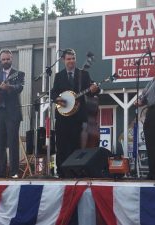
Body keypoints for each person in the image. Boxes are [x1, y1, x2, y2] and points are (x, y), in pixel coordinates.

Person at [51, 48, 99, 178]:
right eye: (68, 59)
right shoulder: (58, 76)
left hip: (78, 117)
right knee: (61, 145)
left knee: (76, 145)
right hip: (62, 117)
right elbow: (53, 93)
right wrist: (58, 99)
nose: (71, 61)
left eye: (73, 58)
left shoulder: (83, 75)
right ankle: (61, 172)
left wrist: (95, 88)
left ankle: (75, 172)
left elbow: (92, 90)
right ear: (63, 60)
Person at [0, 49, 25, 178]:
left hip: (12, 113)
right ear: (0, 60)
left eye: (8, 59)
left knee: (13, 143)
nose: (5, 61)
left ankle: (14, 172)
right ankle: (1, 173)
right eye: (3, 59)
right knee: (0, 144)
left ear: (11, 59)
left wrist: (9, 87)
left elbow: (20, 87)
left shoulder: (18, 74)